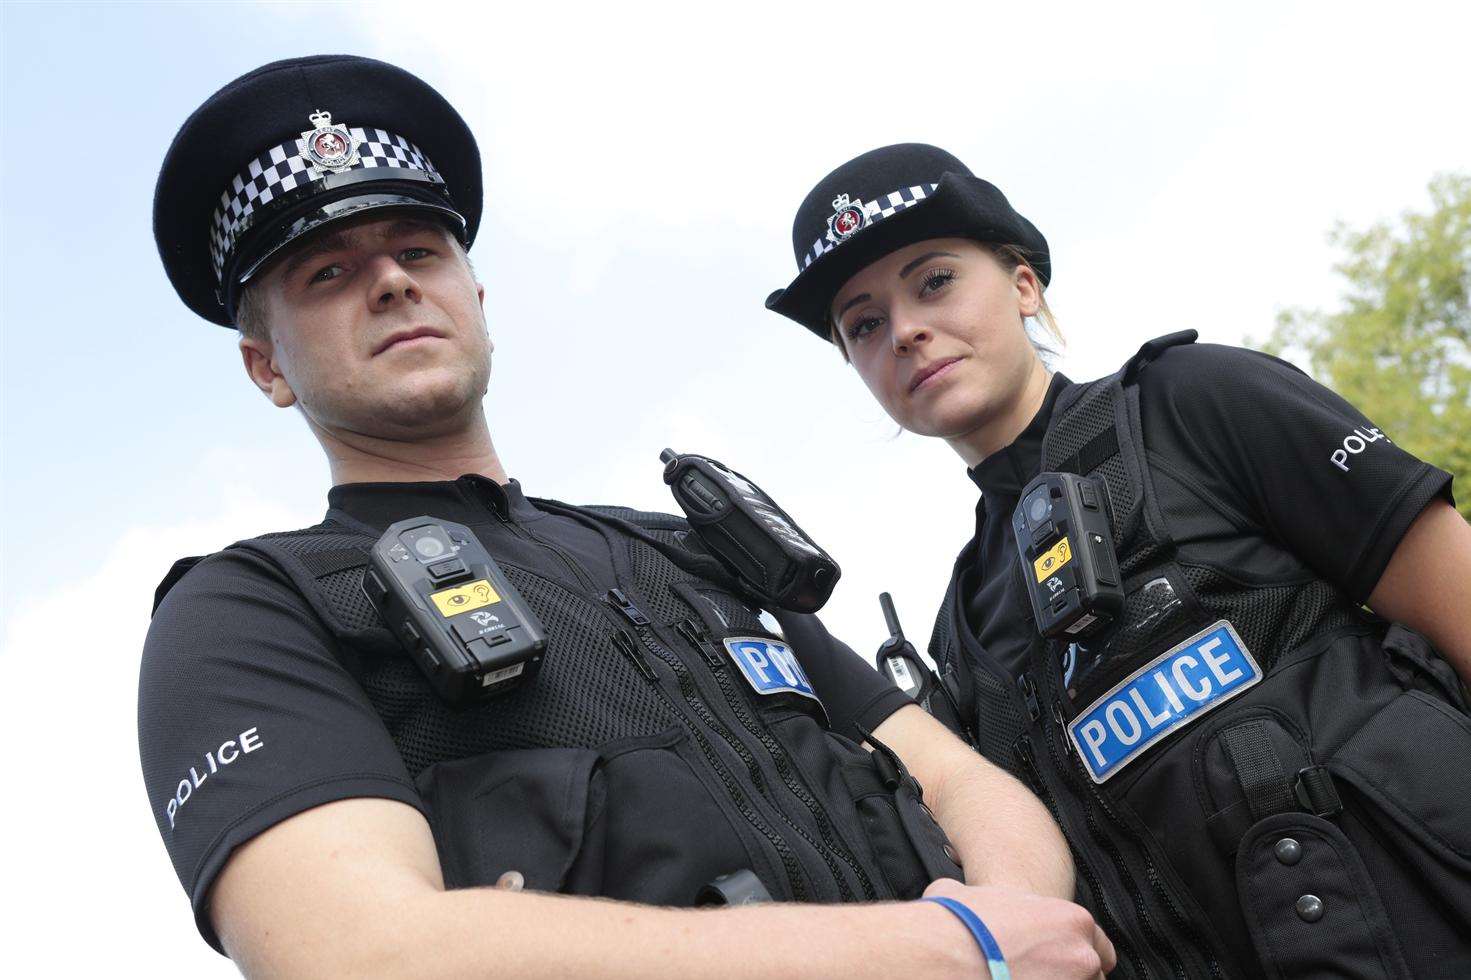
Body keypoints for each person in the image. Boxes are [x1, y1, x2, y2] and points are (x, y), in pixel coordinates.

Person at [139, 59, 1118, 979]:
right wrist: (942, 950)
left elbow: (957, 777)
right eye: (328, 273)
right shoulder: (249, 613)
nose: (392, 281)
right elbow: (363, 950)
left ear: (474, 299)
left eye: (417, 251)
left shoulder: (688, 550)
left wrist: (1008, 925)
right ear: (266, 366)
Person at [764, 143, 1471, 979]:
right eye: (864, 325)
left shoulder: (1193, 404)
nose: (906, 332)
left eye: (933, 281)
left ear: (1023, 284)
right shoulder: (959, 633)